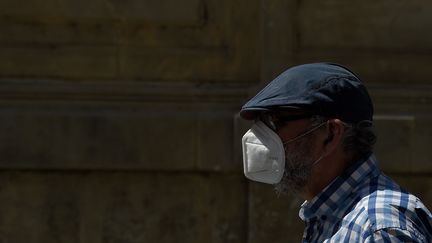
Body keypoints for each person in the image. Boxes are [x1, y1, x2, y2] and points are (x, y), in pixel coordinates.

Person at [240, 63, 432, 242]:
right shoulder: (330, 216)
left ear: (331, 134)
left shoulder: (378, 227)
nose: (261, 137)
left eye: (277, 122)